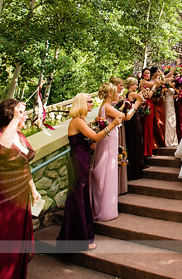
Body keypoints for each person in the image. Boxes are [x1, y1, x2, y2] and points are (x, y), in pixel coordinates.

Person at [57, 93, 122, 251]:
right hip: (79, 162)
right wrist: (111, 126)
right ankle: (78, 239)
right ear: (81, 103)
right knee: (78, 197)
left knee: (80, 197)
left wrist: (90, 144)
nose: (92, 104)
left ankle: (78, 237)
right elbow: (95, 136)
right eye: (89, 101)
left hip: (82, 160)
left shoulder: (80, 121)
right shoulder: (77, 121)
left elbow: (86, 141)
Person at [0, 99, 41, 279]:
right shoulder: (2, 135)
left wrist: (33, 189)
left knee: (19, 245)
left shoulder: (21, 136)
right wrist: (16, 118)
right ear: (12, 115)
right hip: (5, 200)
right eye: (22, 113)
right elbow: (2, 149)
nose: (25, 117)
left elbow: (24, 165)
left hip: (23, 198)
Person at [90, 82, 140, 221]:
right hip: (107, 145)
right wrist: (136, 104)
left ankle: (104, 206)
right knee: (107, 173)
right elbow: (127, 117)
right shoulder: (107, 107)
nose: (119, 94)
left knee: (107, 173)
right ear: (110, 94)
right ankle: (105, 210)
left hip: (109, 143)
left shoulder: (105, 107)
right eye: (116, 93)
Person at [124, 77, 145, 180]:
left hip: (132, 117)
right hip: (133, 119)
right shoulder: (131, 94)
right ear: (130, 85)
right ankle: (136, 170)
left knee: (132, 141)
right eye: (135, 85)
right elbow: (142, 98)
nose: (136, 86)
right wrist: (142, 91)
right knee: (136, 141)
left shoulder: (126, 95)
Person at [109, 76, 128, 194]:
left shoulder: (119, 98)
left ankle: (120, 184)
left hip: (119, 127)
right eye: (121, 85)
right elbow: (123, 115)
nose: (122, 87)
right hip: (115, 127)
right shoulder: (110, 102)